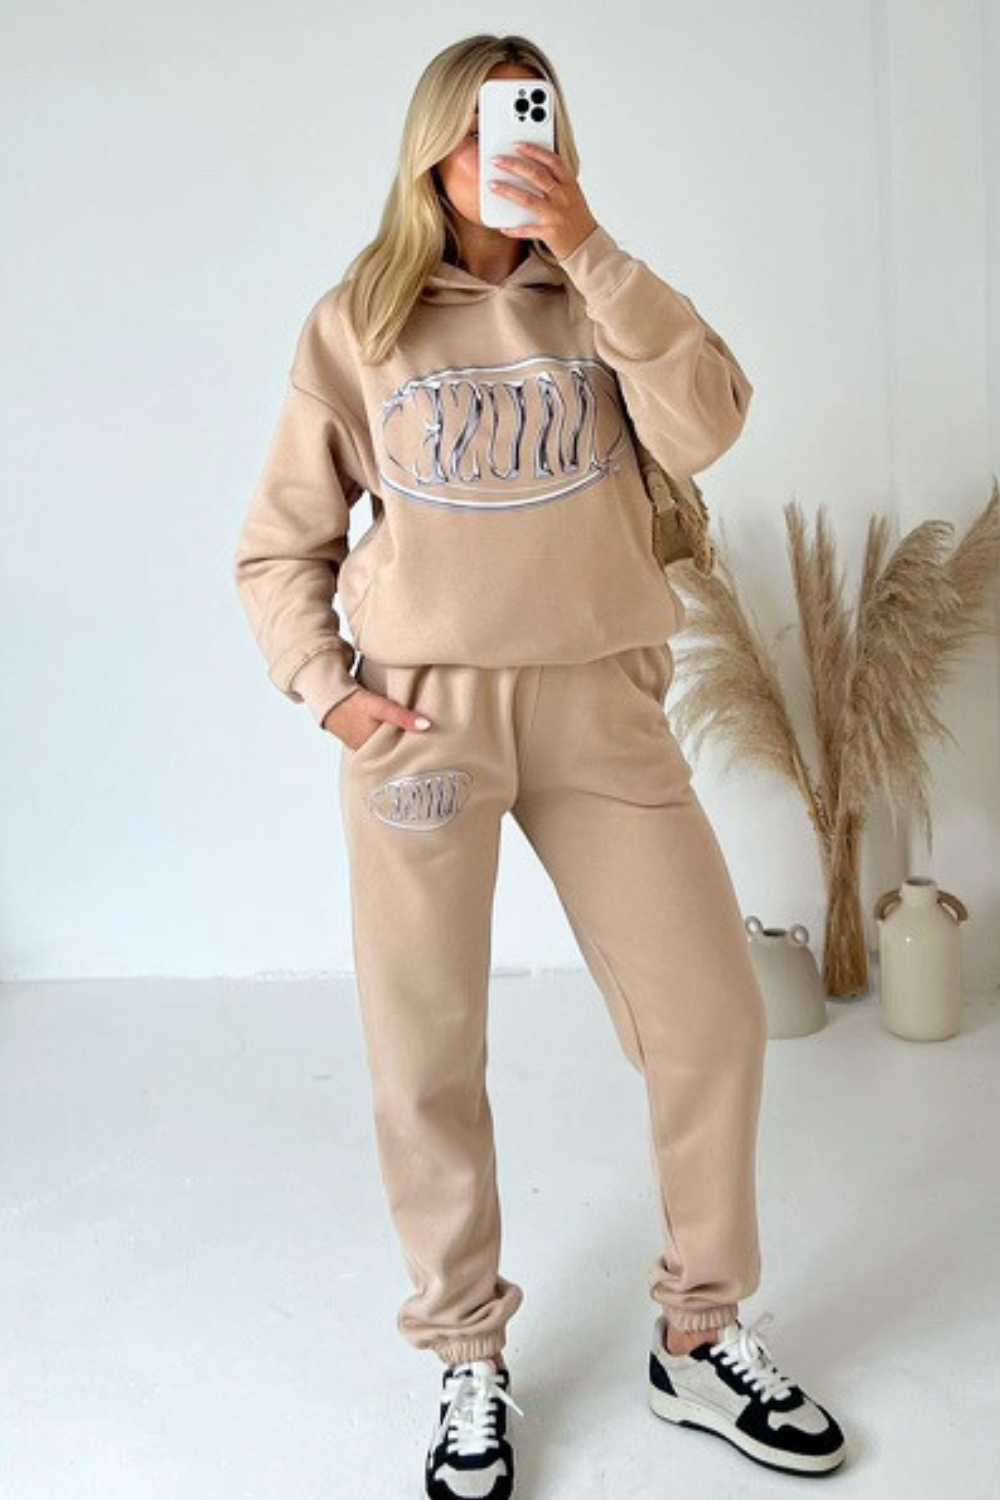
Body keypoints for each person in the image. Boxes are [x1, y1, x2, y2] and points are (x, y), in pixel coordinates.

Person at [233, 32, 847, 1499]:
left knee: (711, 1019)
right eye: (479, 130)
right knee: (426, 1049)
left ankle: (700, 1334)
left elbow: (712, 423)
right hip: (423, 721)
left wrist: (592, 249)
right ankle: (466, 1352)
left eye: (532, 123)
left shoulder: (602, 295)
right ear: (428, 150)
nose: (506, 152)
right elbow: (279, 546)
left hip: (601, 706)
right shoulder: (357, 323)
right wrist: (329, 694)